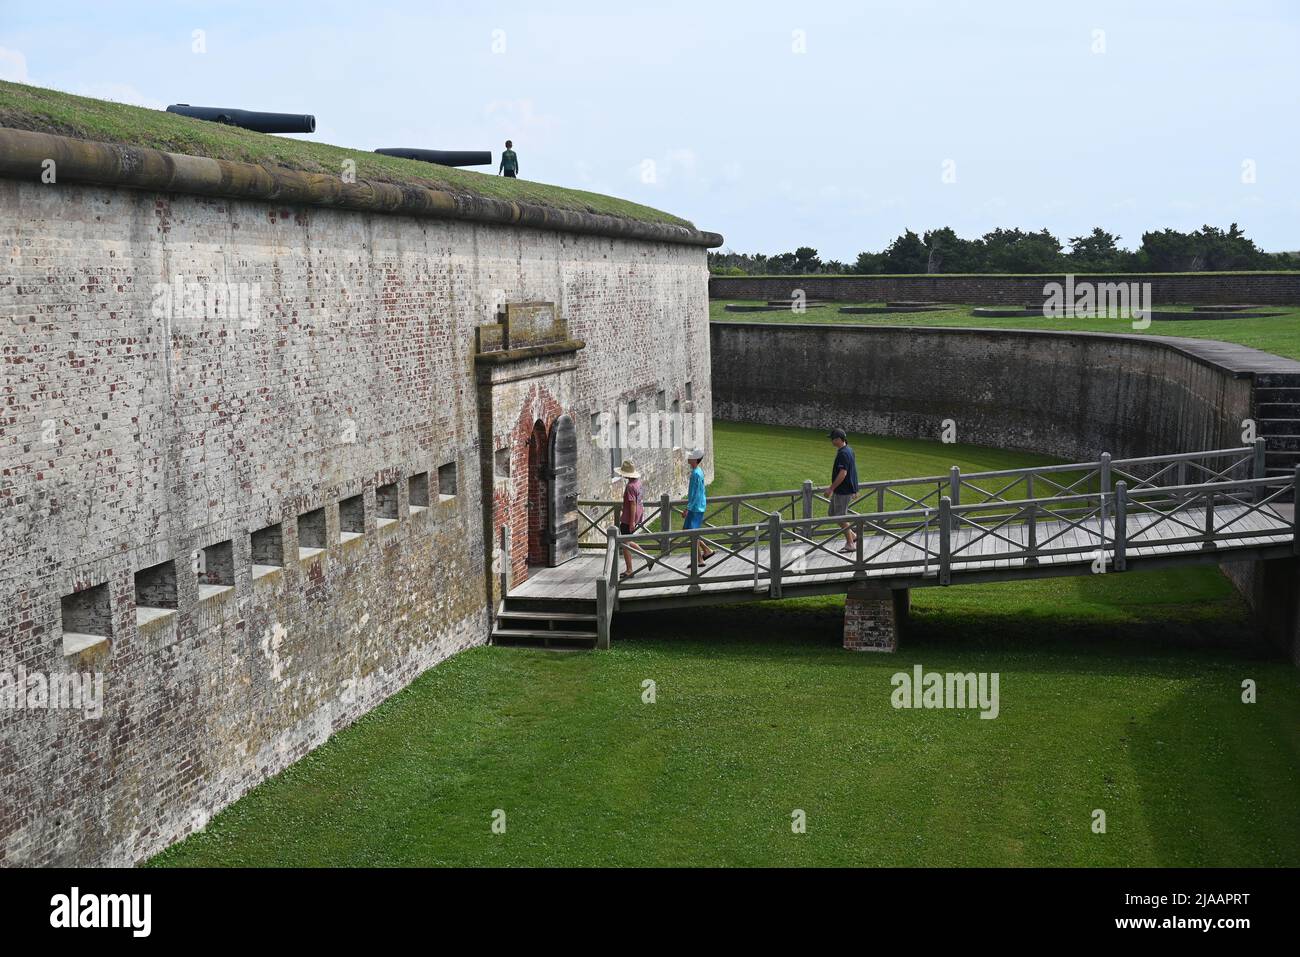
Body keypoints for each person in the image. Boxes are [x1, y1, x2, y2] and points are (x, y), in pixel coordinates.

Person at [615, 459, 655, 579]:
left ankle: (629, 570)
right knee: (626, 541)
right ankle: (648, 558)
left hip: (629, 518)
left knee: (625, 543)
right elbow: (639, 501)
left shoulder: (630, 486)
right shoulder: (638, 483)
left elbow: (632, 504)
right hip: (637, 515)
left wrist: (631, 521)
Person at [825, 428, 858, 553]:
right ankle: (853, 536)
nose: (831, 441)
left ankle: (850, 544)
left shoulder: (843, 453)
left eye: (833, 439)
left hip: (843, 491)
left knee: (840, 517)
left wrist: (830, 489)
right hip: (843, 490)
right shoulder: (849, 450)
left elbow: (843, 473)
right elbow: (853, 472)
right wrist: (855, 488)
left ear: (839, 439)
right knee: (832, 514)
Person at [681, 448, 715, 565]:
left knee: (691, 533)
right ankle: (706, 551)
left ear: (695, 459)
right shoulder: (698, 471)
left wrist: (687, 508)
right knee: (689, 531)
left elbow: (695, 493)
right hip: (699, 505)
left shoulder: (695, 473)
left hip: (695, 507)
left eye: (690, 457)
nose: (688, 458)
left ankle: (699, 559)